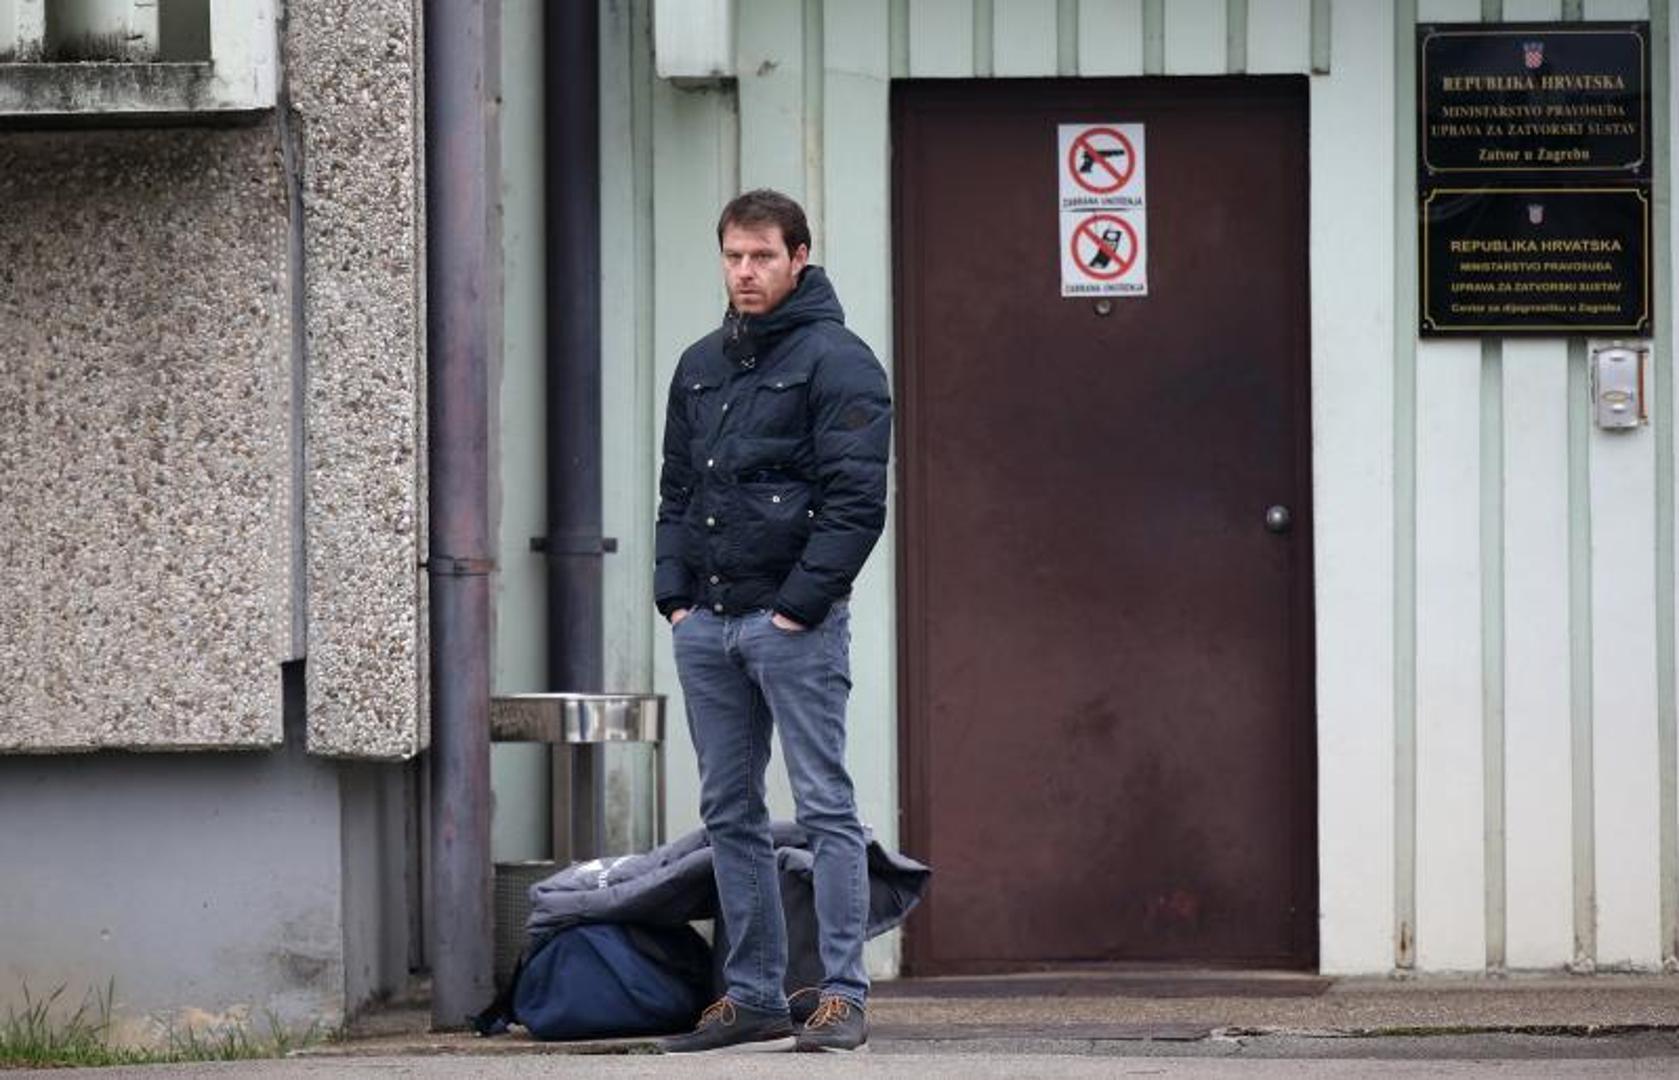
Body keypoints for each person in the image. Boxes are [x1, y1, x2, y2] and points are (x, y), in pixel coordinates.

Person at [654, 189, 892, 1054]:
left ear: (799, 257)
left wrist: (798, 608)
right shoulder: (699, 363)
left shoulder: (840, 361)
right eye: (733, 256)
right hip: (707, 624)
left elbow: (856, 502)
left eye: (761, 256)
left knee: (825, 806)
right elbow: (678, 491)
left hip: (792, 627)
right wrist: (674, 598)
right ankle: (752, 995)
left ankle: (841, 996)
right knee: (729, 810)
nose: (745, 272)